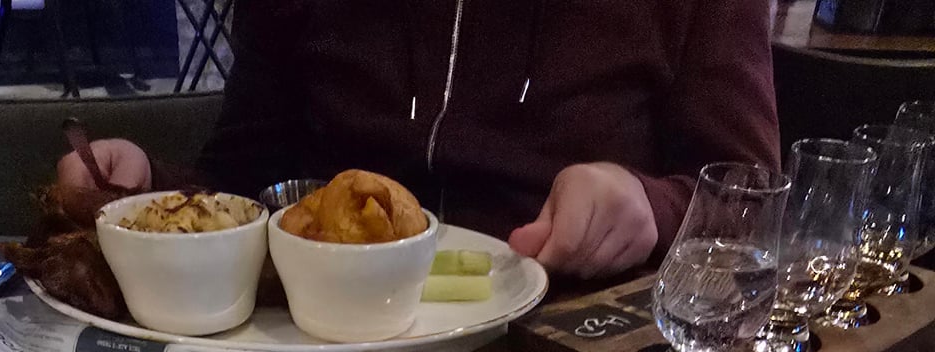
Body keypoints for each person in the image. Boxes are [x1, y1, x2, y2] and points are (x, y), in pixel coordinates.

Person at [59, 0, 780, 280]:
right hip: (316, 350)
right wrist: (150, 186)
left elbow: (757, 200)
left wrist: (650, 204)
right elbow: (248, 174)